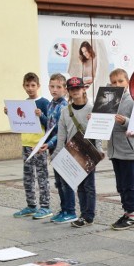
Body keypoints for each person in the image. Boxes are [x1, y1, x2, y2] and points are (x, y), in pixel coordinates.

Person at [53, 76, 97, 228]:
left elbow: (99, 131)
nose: (75, 91)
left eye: (78, 88)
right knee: (79, 185)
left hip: (88, 150)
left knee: (89, 186)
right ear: (68, 91)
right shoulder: (66, 111)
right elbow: (61, 134)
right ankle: (83, 214)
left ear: (83, 89)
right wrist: (57, 153)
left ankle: (88, 215)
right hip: (73, 151)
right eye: (72, 89)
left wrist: (98, 149)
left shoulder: (92, 109)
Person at [8, 72, 51, 220]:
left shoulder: (44, 103)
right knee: (28, 176)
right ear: (23, 86)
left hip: (39, 145)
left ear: (38, 86)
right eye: (27, 85)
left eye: (33, 85)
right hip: (26, 143)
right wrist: (10, 114)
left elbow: (50, 124)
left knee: (42, 176)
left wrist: (42, 116)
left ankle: (45, 206)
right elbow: (21, 121)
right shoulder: (24, 103)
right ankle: (31, 205)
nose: (30, 88)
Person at [105, 68, 134, 231]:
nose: (117, 84)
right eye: (114, 82)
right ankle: (127, 212)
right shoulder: (108, 99)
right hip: (114, 149)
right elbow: (104, 119)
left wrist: (125, 121)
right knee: (120, 185)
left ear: (128, 82)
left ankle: (133, 215)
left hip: (128, 150)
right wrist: (95, 118)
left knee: (128, 184)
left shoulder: (133, 100)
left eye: (121, 81)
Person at [43, 74, 71, 223]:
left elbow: (61, 131)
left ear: (65, 90)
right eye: (52, 86)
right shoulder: (49, 104)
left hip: (62, 147)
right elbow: (49, 126)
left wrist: (51, 143)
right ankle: (64, 208)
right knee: (58, 182)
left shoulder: (64, 107)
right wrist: (41, 116)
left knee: (66, 180)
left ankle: (70, 210)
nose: (55, 90)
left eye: (58, 87)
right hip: (52, 148)